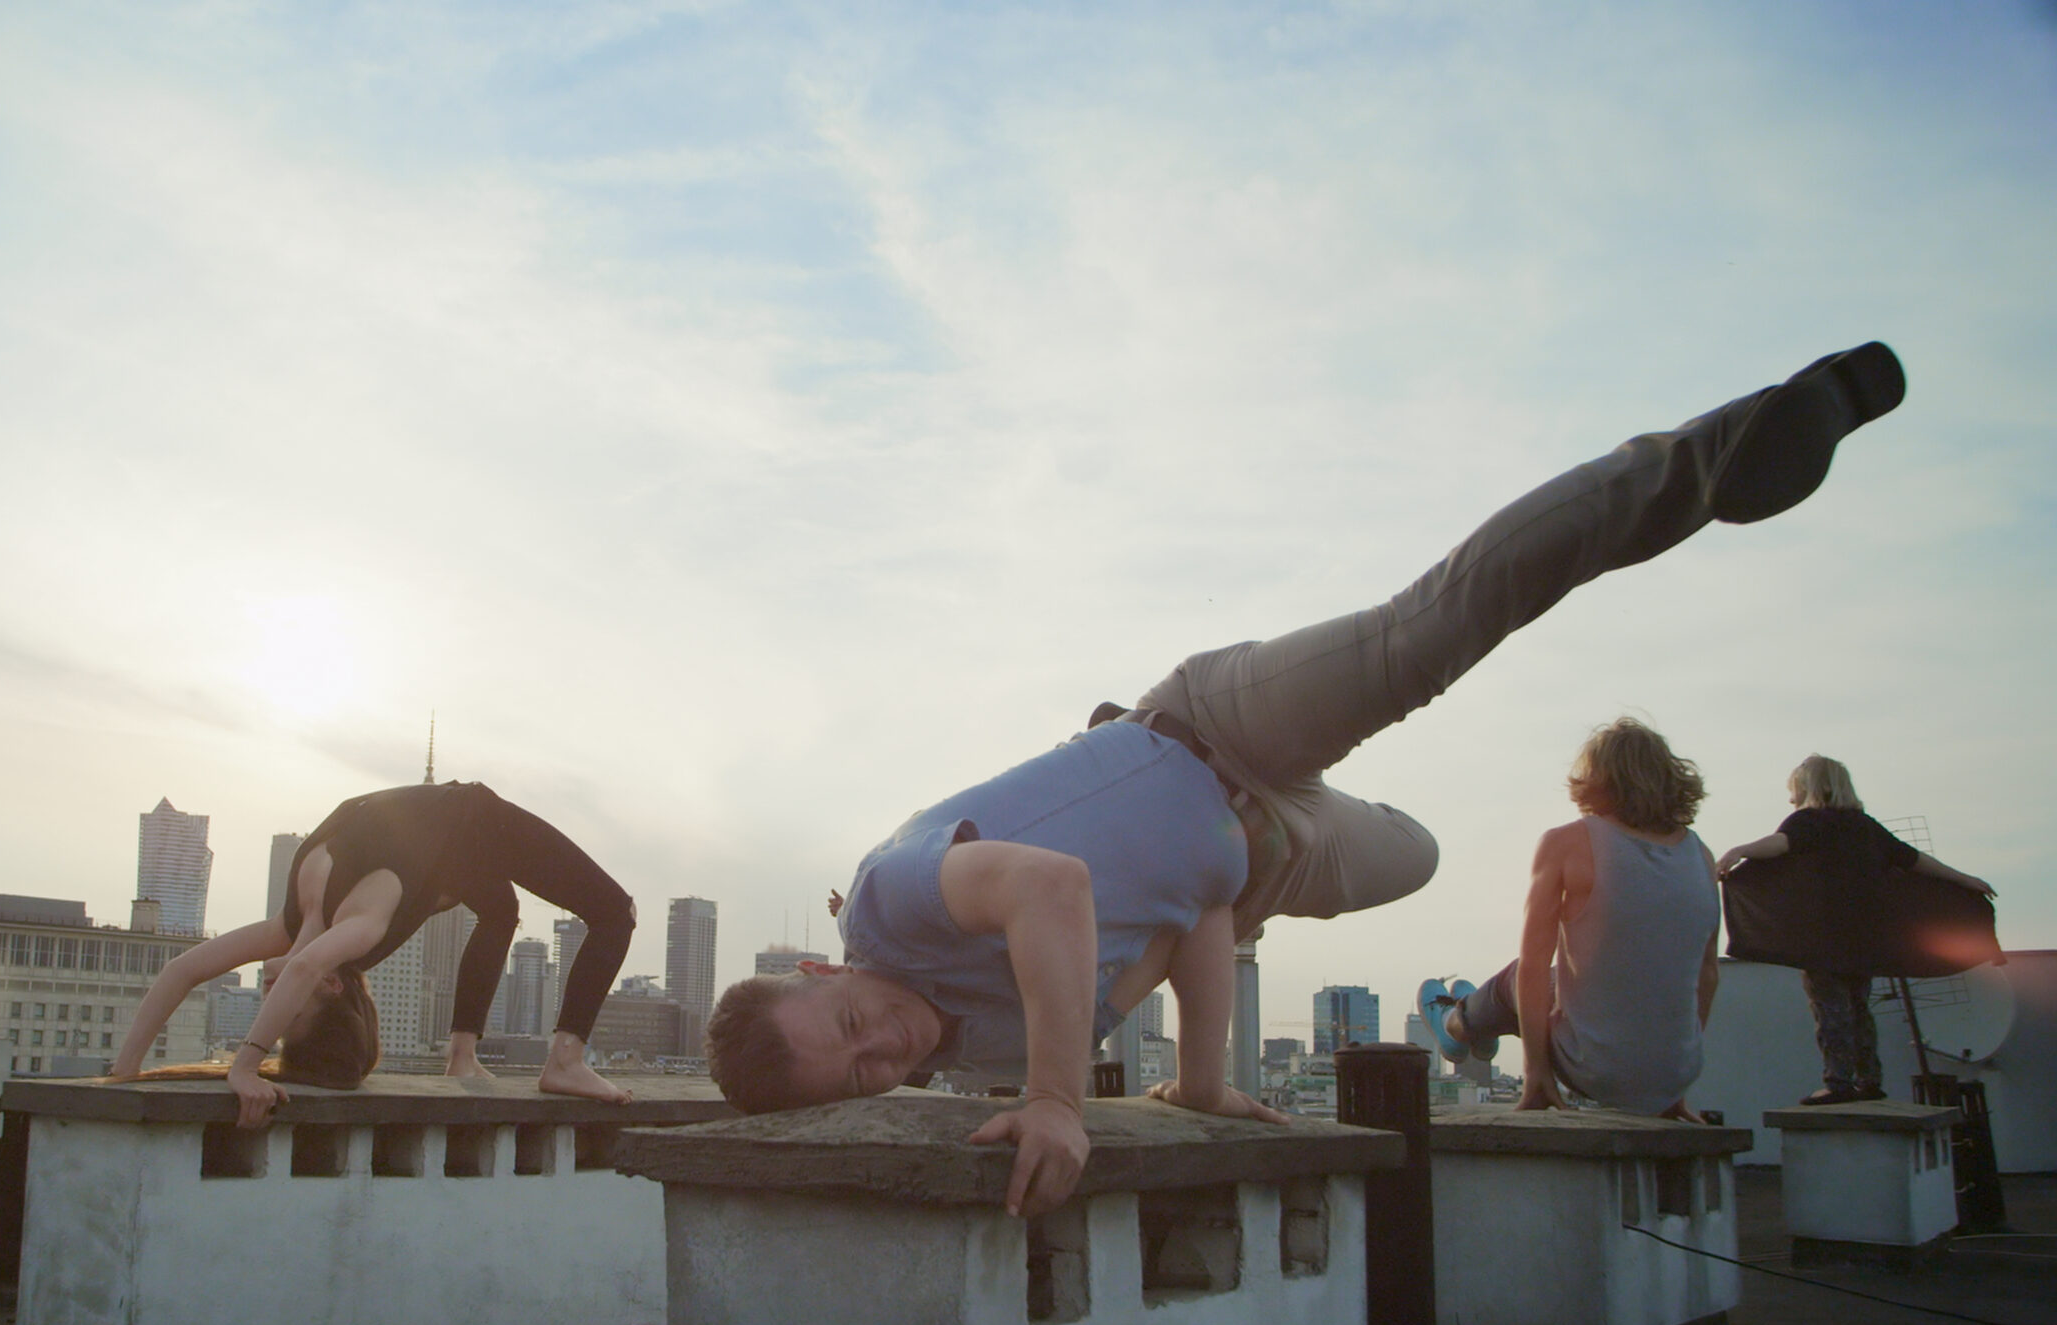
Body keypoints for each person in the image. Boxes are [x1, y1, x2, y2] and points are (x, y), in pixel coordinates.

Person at [705, 342, 1906, 1220]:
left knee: (1429, 634)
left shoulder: (888, 901)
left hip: (1214, 730)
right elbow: (1184, 925)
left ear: (821, 971)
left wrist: (1060, 1097)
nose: (888, 1051)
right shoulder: (974, 1037)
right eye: (863, 1075)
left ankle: (1718, 456)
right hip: (1257, 851)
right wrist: (1202, 1081)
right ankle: (1160, 795)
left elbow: (1052, 890)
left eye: (853, 1024)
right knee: (1419, 855)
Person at [109, 780, 638, 1123]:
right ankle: (564, 1061)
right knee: (616, 914)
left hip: (456, 841)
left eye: (279, 1020)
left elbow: (182, 970)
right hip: (475, 822)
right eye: (292, 1010)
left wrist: (125, 1070)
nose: (269, 997)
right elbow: (304, 967)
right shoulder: (358, 928)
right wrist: (248, 1066)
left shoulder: (291, 924)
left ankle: (461, 1056)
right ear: (333, 986)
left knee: (500, 910)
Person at [1418, 720, 1720, 1118]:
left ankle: (1456, 1027)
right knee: (1567, 977)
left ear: (1597, 778)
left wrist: (1537, 1072)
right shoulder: (1701, 856)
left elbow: (1533, 965)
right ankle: (1479, 1021)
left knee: (1516, 977)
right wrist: (1673, 1084)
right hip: (1672, 1076)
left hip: (1594, 1068)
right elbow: (1706, 974)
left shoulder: (1567, 842)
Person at [1714, 754, 1995, 1104]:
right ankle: (1869, 1081)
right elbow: (1915, 861)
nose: (1791, 797)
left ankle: (1839, 1084)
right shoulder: (1865, 827)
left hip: (1825, 939)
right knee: (1859, 1010)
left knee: (1830, 1009)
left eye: (1794, 789)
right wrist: (1965, 880)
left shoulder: (1809, 821)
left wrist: (1739, 851)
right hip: (1864, 939)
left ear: (1809, 787)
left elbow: (1780, 844)